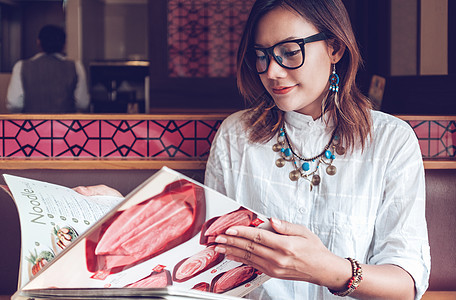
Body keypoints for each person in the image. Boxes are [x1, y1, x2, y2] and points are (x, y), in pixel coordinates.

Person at [77, 0, 430, 299]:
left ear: (335, 48)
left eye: (290, 52)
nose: (272, 72)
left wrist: (326, 269)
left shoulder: (390, 141)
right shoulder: (238, 135)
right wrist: (125, 210)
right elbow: (206, 251)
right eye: (261, 56)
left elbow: (408, 281)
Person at [6, 24, 89, 113]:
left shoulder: (21, 66)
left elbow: (14, 103)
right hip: (66, 125)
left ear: (38, 42)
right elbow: (83, 103)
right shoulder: (76, 66)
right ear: (64, 45)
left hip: (31, 125)